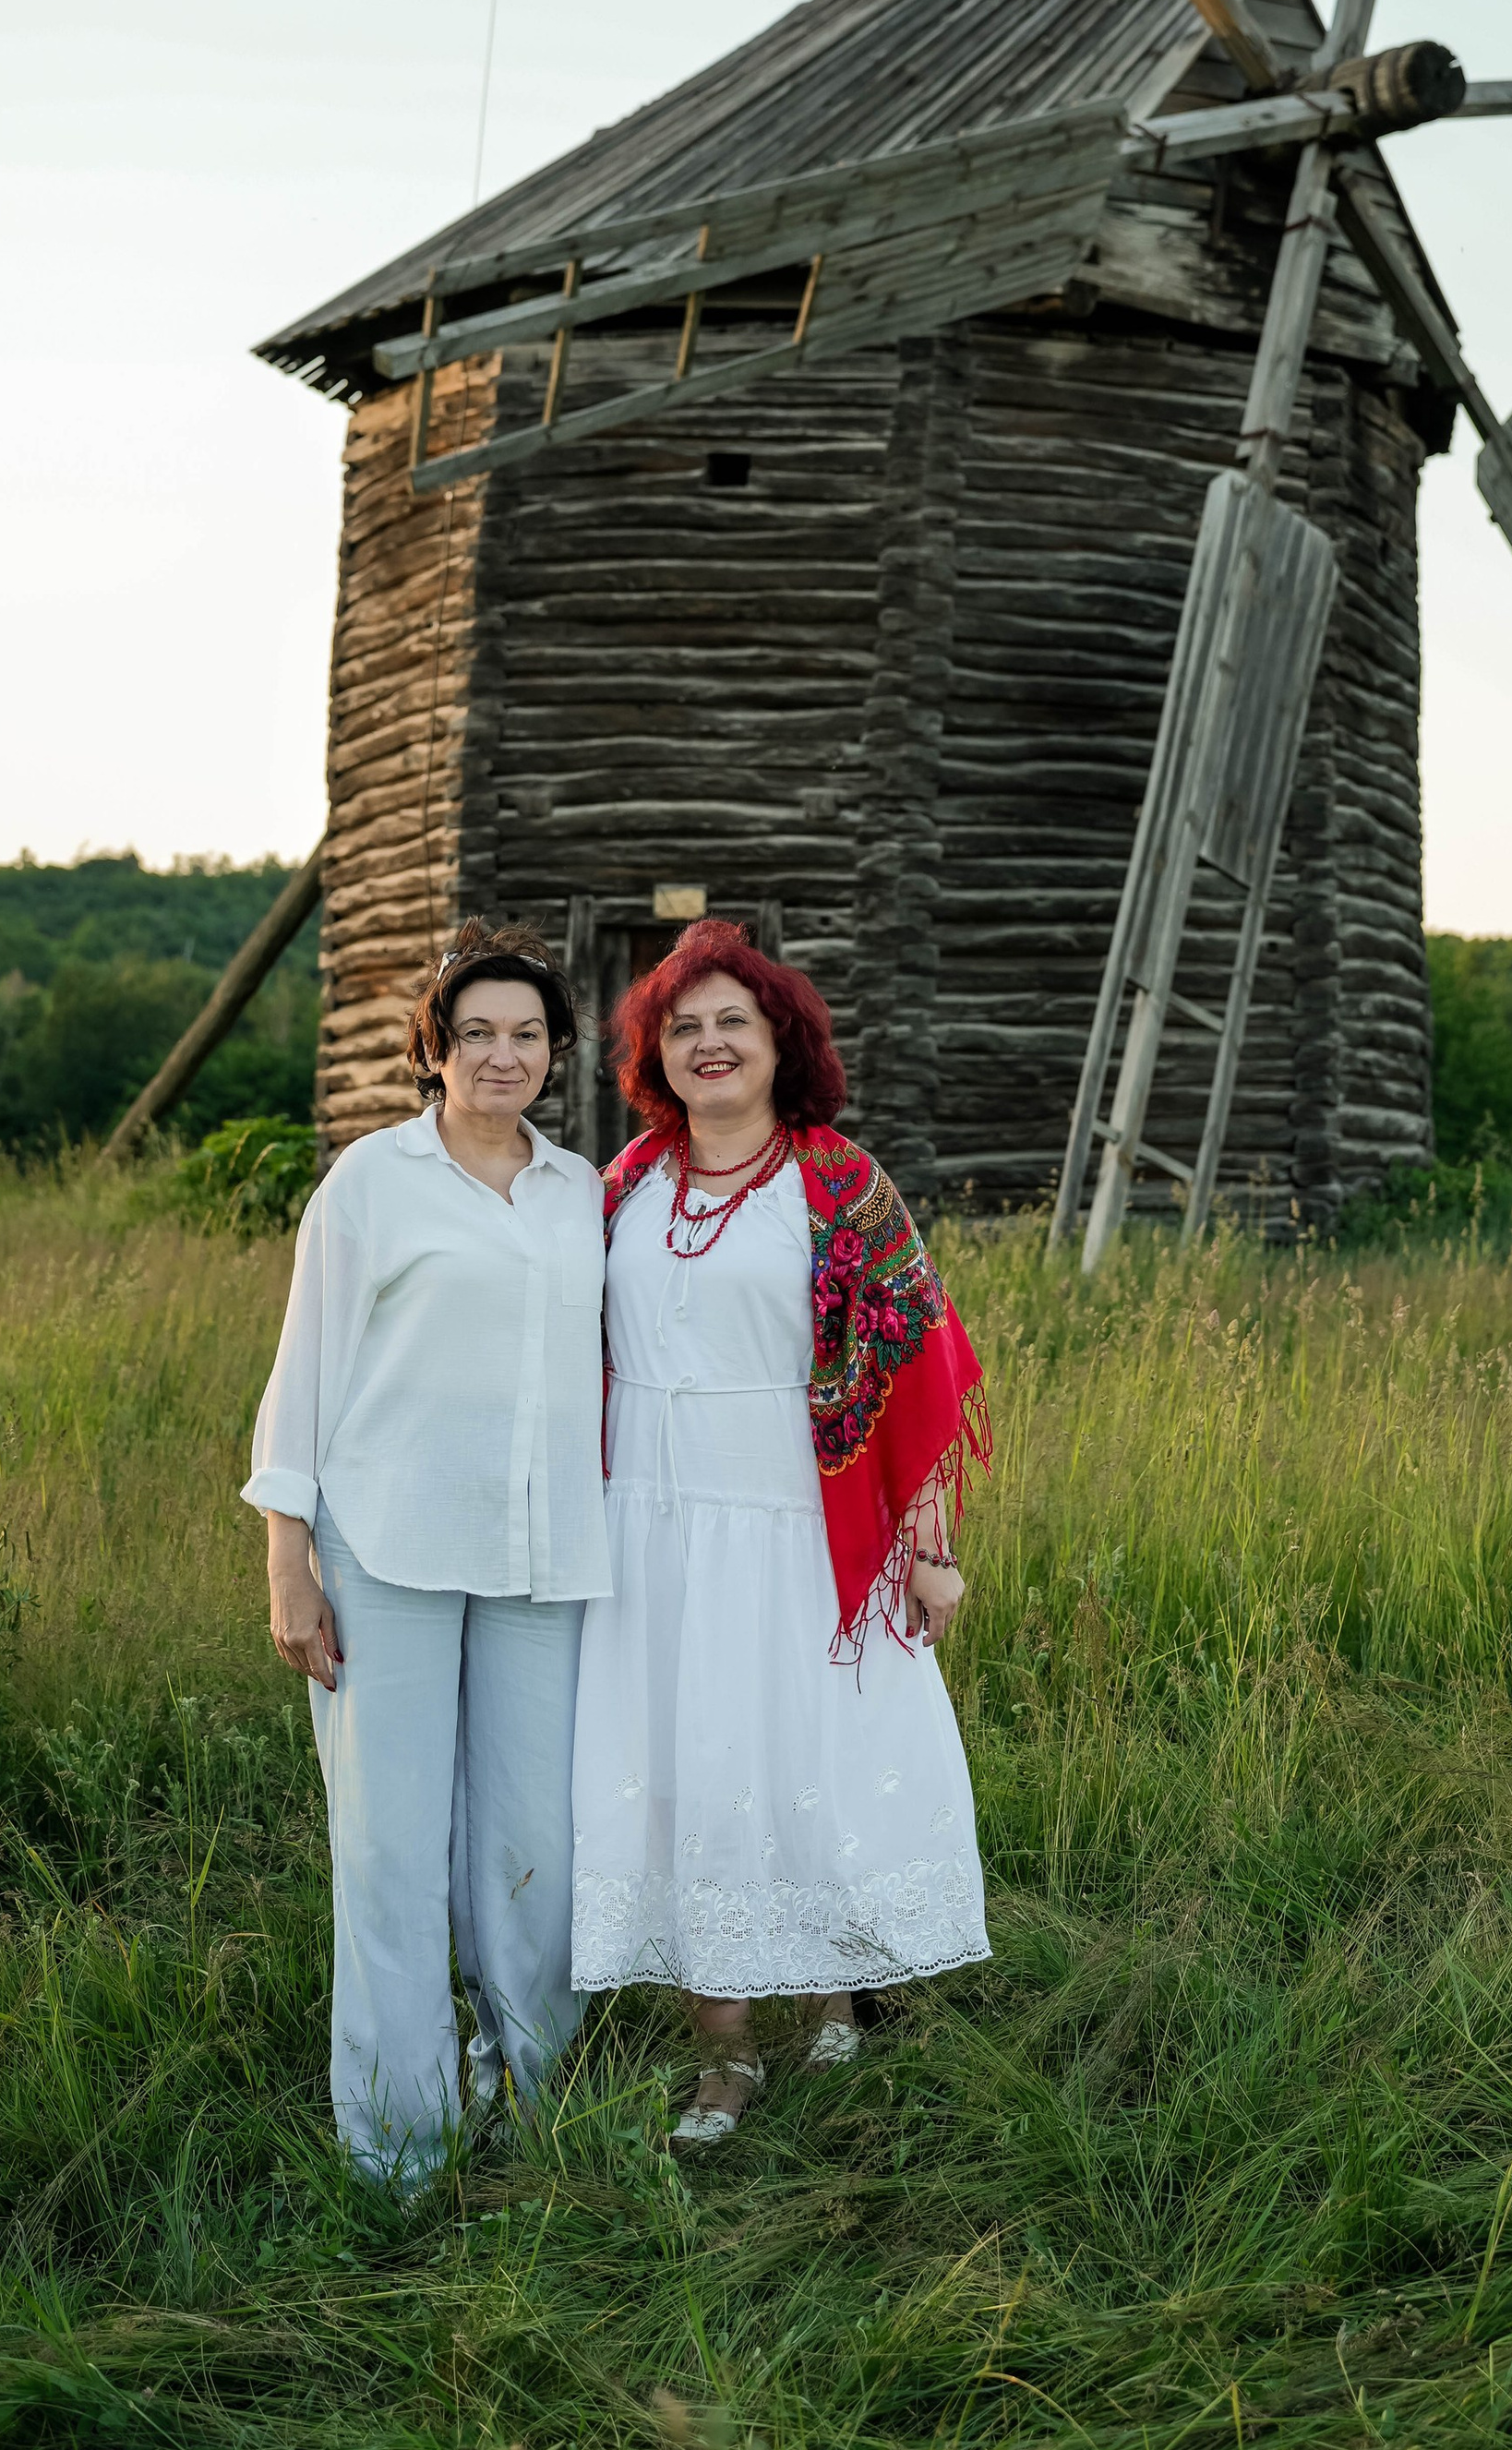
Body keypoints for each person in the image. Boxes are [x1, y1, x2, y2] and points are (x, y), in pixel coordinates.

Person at [570, 917, 990, 2145]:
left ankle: (831, 2000)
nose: (708, 1046)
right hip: (648, 1519)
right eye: (682, 1028)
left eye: (731, 1025)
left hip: (800, 1519)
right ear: (656, 1054)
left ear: (779, 1042)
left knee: (801, 1762)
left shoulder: (839, 1182)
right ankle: (724, 2054)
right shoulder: (626, 1185)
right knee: (693, 1768)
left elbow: (917, 1361)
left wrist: (925, 1539)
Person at [242, 919, 608, 2180]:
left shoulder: (584, 1197)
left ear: (555, 1055)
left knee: (537, 1844)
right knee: (391, 1848)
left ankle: (537, 2102)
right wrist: (290, 1558)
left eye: (526, 1035)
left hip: (541, 1552)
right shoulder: (369, 1184)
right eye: (476, 1035)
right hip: (383, 1545)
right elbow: (306, 1373)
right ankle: (398, 2146)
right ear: (435, 1051)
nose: (502, 1055)